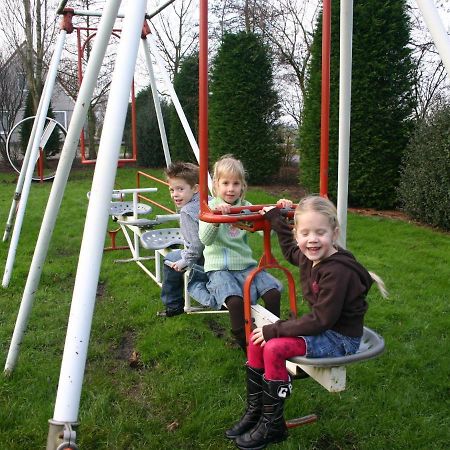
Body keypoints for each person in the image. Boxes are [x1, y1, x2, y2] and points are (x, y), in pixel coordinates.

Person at [227, 195, 388, 449]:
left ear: (334, 234)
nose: (312, 239)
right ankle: (256, 411)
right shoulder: (310, 253)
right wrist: (276, 220)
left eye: (320, 232)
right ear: (298, 234)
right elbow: (292, 251)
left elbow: (322, 320)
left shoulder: (337, 272)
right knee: (257, 340)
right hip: (323, 328)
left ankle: (272, 424)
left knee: (273, 345)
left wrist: (276, 330)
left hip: (339, 338)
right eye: (305, 233)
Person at [199, 155, 282, 352]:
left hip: (246, 266)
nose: (230, 189)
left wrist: (279, 210)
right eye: (225, 183)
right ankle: (247, 347)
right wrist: (219, 217)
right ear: (216, 186)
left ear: (242, 186)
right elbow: (206, 240)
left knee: (273, 293)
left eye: (236, 183)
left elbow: (263, 229)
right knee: (235, 302)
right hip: (219, 269)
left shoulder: (245, 207)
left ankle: (274, 336)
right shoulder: (210, 208)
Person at [159, 161, 211, 317]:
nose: (175, 194)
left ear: (195, 188)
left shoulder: (187, 211)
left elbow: (196, 246)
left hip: (201, 257)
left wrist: (185, 261)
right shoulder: (208, 200)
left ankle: (173, 305)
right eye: (171, 190)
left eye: (180, 189)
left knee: (170, 259)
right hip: (215, 252)